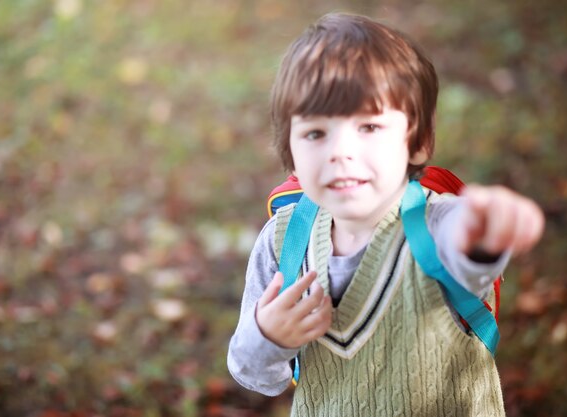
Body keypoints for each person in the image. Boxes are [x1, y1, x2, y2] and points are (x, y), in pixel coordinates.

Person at [227, 12, 544, 416]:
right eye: (316, 133)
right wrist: (268, 335)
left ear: (418, 141)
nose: (341, 152)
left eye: (369, 127)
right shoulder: (283, 242)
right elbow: (253, 372)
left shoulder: (436, 225)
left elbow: (469, 257)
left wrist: (486, 228)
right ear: (290, 150)